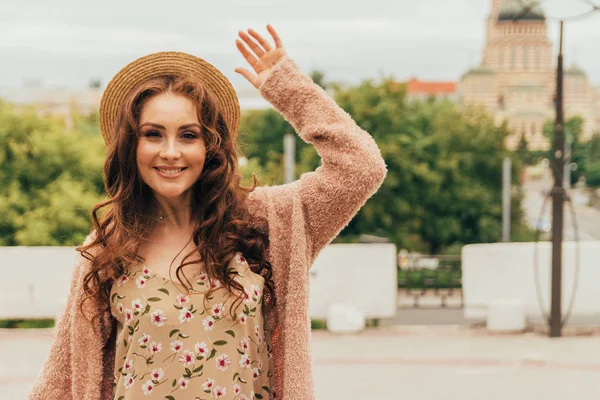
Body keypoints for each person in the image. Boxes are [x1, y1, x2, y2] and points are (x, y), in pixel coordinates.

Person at [28, 24, 387, 400]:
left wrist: (288, 88)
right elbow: (60, 381)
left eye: (188, 135)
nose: (170, 152)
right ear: (130, 146)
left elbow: (361, 167)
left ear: (210, 145)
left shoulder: (266, 223)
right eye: (153, 134)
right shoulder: (106, 250)